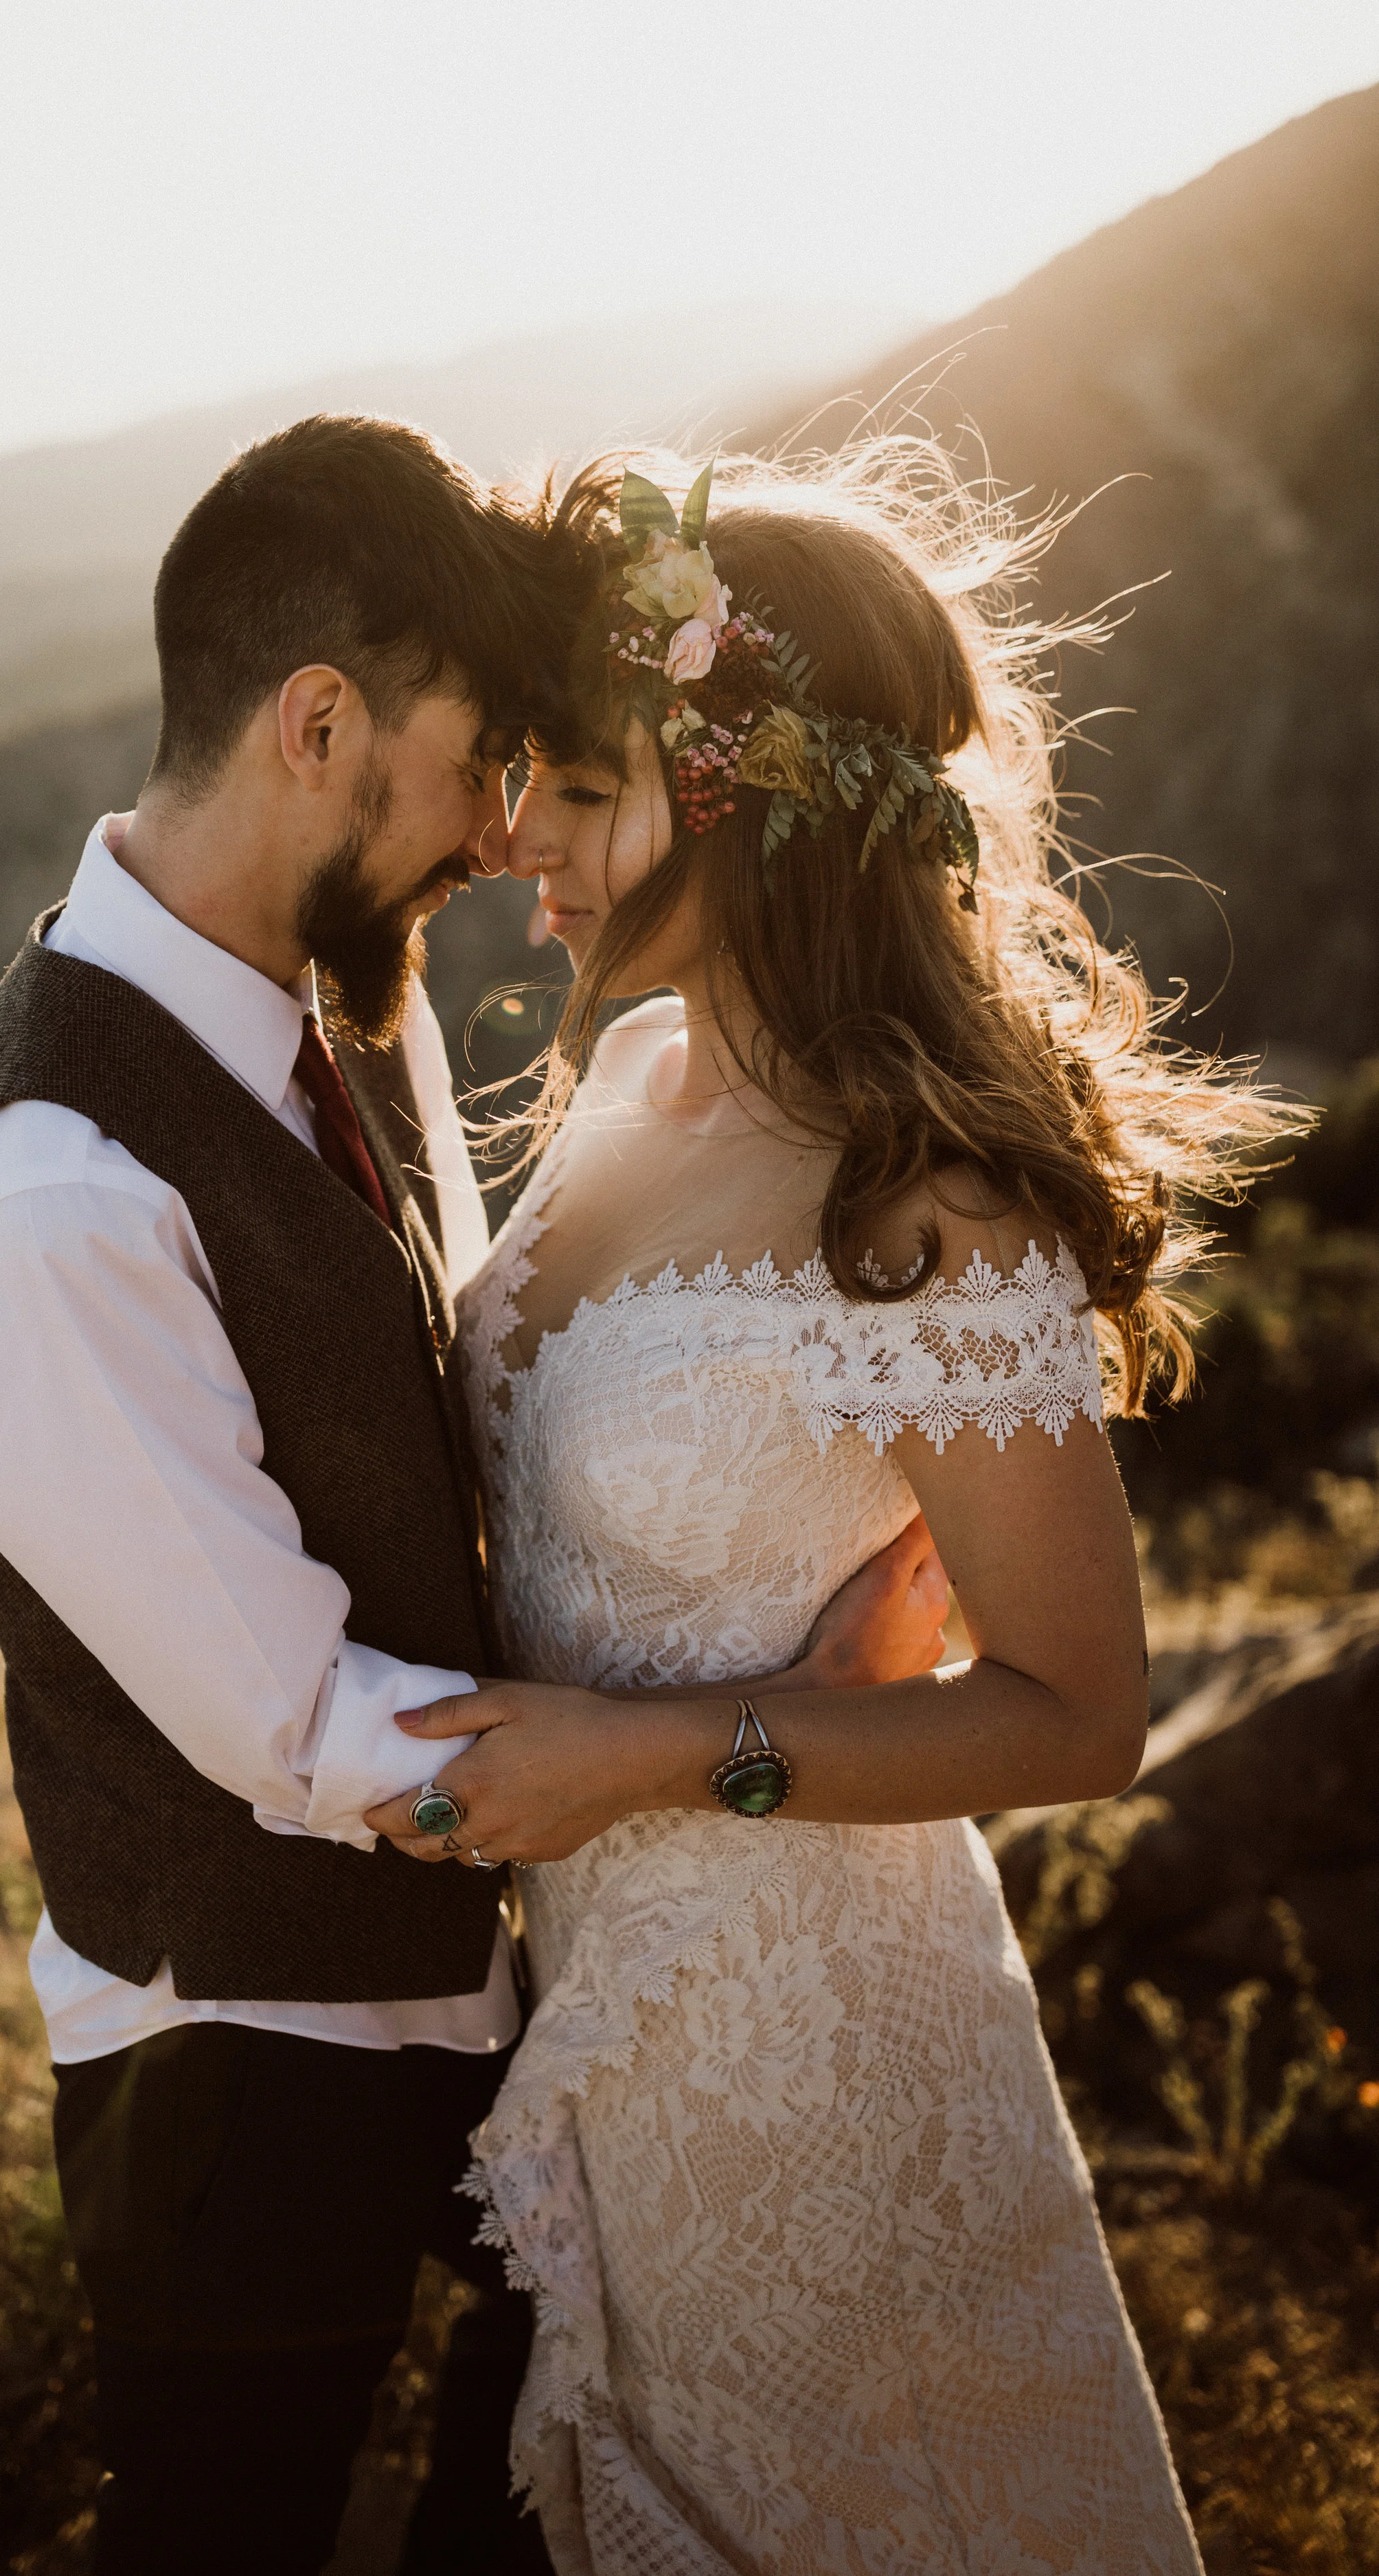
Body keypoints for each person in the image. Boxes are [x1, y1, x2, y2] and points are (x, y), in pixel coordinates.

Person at [0, 416, 944, 2575]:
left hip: (486, 1996)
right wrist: (745, 1743)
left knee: (560, 2473)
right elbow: (305, 1733)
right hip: (242, 2063)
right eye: (480, 764)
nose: (500, 830)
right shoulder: (42, 1190)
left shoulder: (323, 1002)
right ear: (315, 724)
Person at [367, 450, 1288, 2573]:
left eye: (577, 790)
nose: (518, 844)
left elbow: (1078, 1712)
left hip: (832, 2078)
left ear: (747, 794)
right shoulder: (622, 1097)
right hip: (601, 2057)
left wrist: (670, 1749)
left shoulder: (924, 1201)